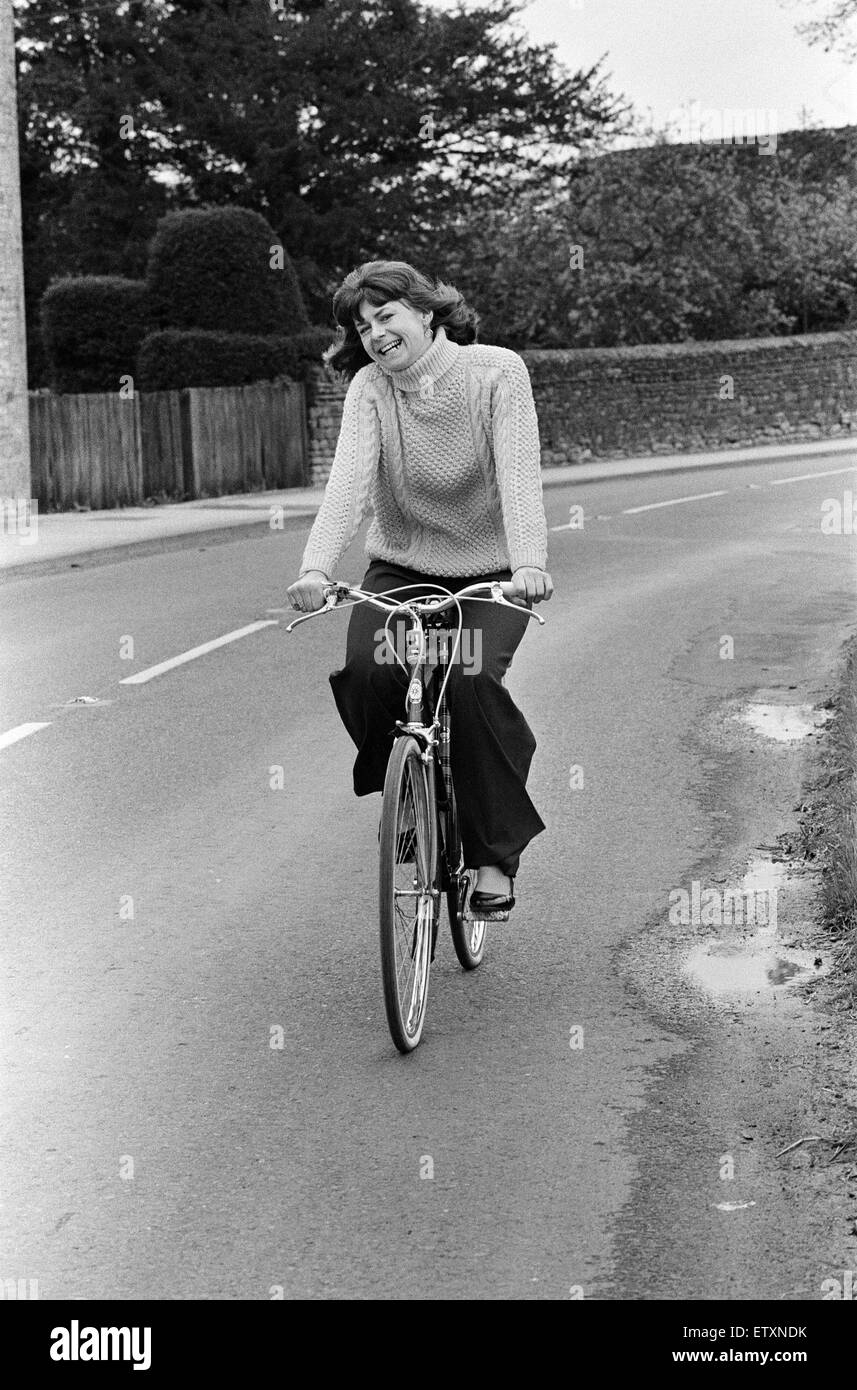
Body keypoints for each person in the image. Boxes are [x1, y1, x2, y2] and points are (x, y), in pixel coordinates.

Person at [287, 260, 553, 916]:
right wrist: (316, 570)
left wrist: (528, 565)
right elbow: (347, 485)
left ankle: (491, 858)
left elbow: (518, 476)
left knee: (469, 682)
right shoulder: (370, 390)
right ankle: (408, 803)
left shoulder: (496, 373)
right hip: (402, 568)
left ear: (426, 312)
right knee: (368, 671)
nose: (374, 334)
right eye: (361, 325)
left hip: (493, 571)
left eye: (385, 316)